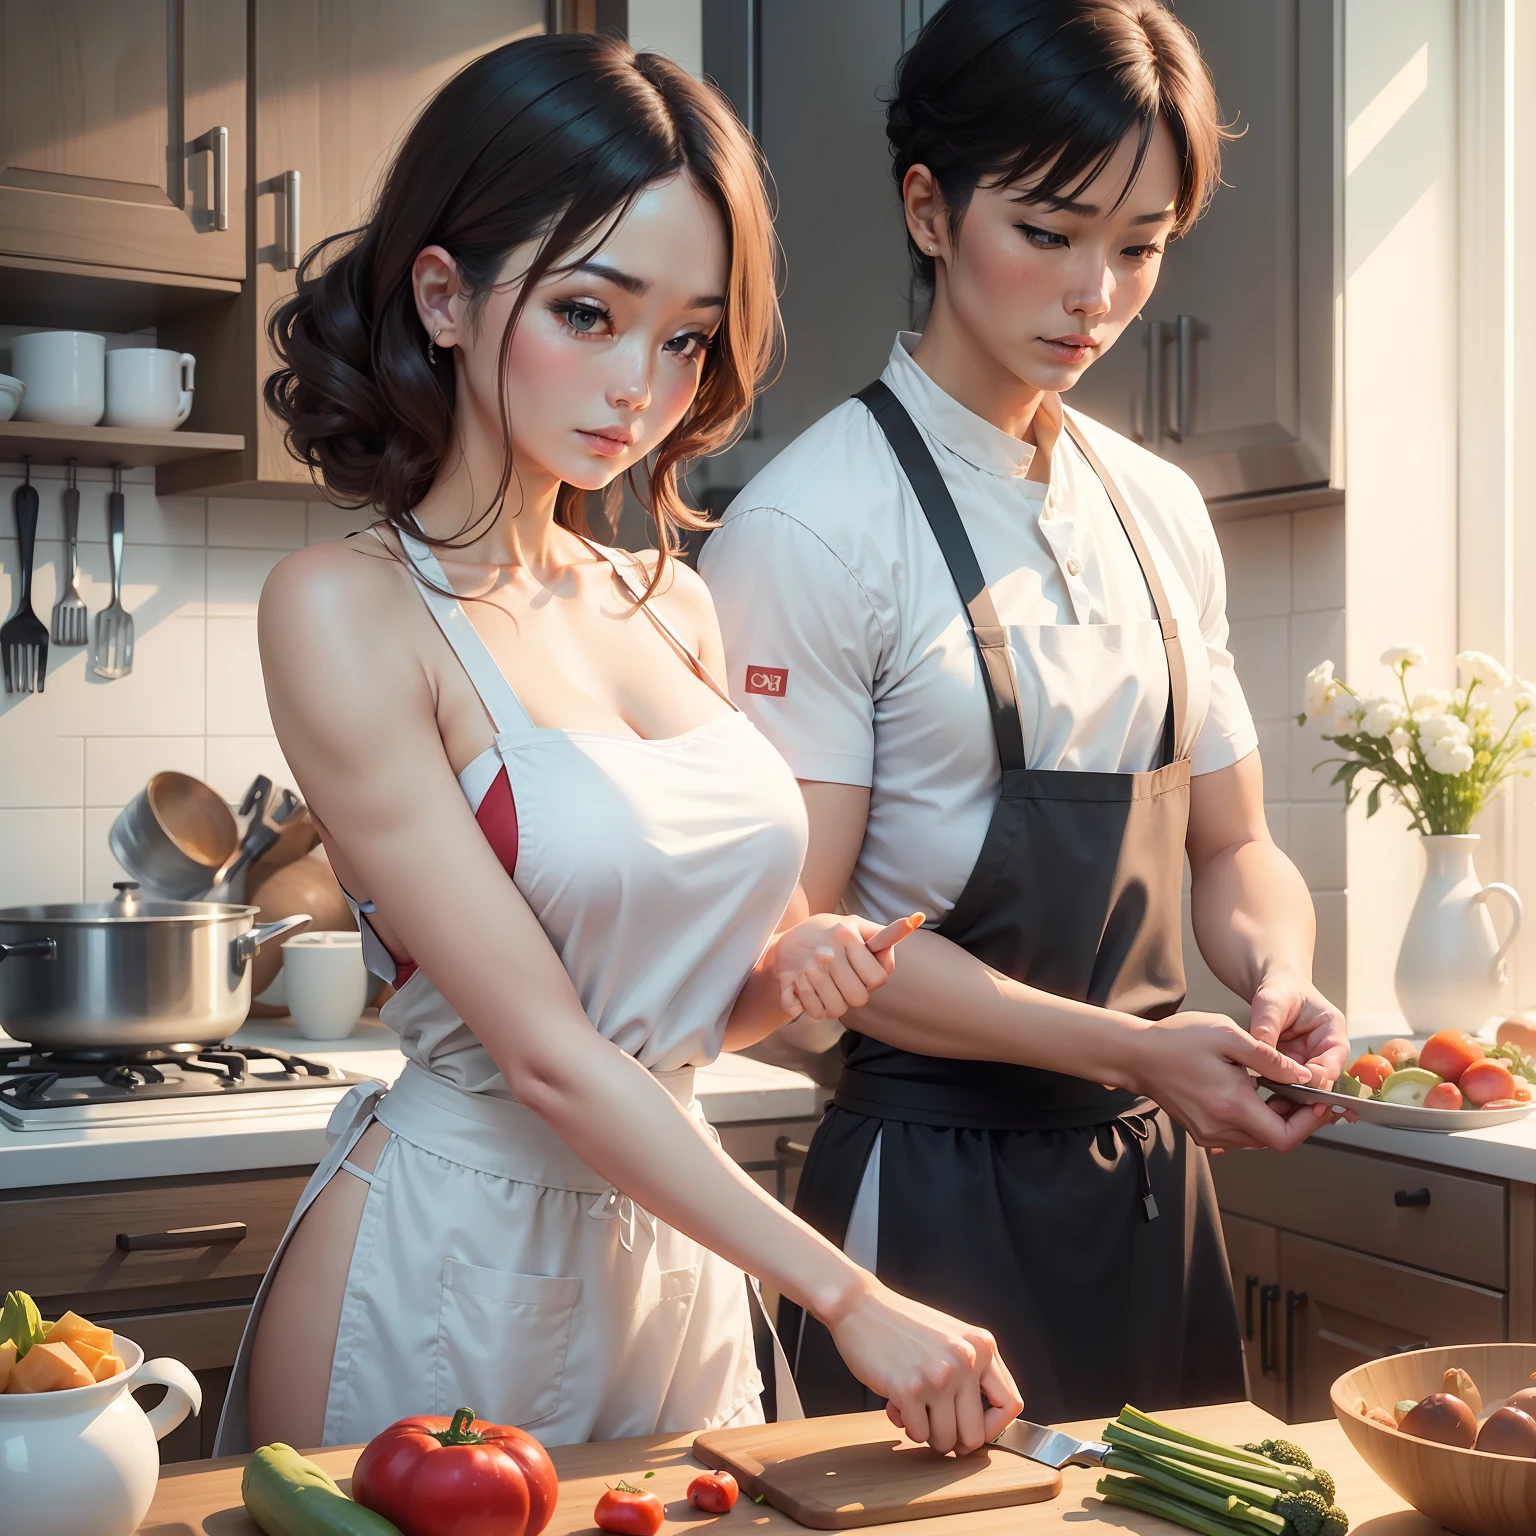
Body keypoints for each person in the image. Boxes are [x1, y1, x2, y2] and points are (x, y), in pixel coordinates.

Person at [215, 32, 1021, 1458]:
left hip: (677, 1264)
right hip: (444, 1269)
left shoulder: (674, 605)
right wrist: (847, 1294)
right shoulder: (347, 608)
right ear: (445, 295)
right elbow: (544, 1056)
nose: (641, 384)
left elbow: (692, 1017)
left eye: (686, 336)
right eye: (590, 312)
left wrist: (794, 970)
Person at [698, 0, 1349, 1423]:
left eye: (1140, 243)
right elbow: (803, 946)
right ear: (929, 209)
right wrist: (1135, 1051)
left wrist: (1277, 981)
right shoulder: (807, 528)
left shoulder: (1164, 510)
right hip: (930, 1196)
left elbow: (1232, 850)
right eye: (1049, 231)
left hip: (1154, 1189)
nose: (1095, 294)